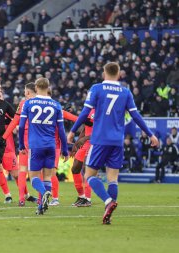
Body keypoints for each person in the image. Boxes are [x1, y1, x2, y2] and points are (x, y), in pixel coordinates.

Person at [67, 62, 159, 224]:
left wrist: (73, 131)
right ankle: (108, 214)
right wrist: (151, 134)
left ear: (104, 73)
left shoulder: (96, 89)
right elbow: (136, 116)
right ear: (119, 74)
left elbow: (85, 113)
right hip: (117, 141)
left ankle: (108, 202)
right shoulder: (126, 92)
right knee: (113, 178)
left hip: (100, 139)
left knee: (89, 175)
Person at [19, 77, 68, 215]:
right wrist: (64, 148)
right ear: (48, 87)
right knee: (47, 177)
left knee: (34, 177)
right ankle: (41, 207)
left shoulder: (28, 104)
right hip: (51, 146)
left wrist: (21, 143)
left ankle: (45, 193)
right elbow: (62, 130)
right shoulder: (56, 105)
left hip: (35, 145)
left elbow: (22, 125)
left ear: (35, 87)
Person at [2, 82, 38, 206]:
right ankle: (43, 198)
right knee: (40, 172)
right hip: (41, 141)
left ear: (27, 92)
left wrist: (4, 136)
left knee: (22, 170)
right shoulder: (45, 102)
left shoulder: (24, 103)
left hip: (27, 140)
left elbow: (15, 122)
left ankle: (22, 199)